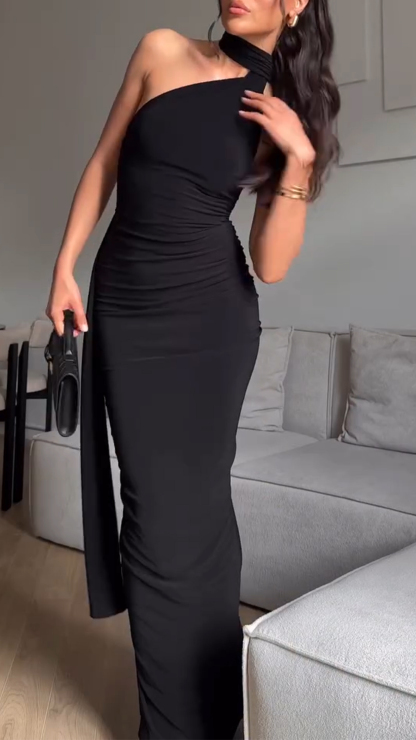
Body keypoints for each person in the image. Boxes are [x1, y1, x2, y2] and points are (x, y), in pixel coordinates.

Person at [46, 0, 340, 737]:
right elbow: (105, 160)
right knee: (152, 510)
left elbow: (271, 264)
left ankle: (201, 720)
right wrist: (64, 266)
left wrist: (300, 160)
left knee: (197, 510)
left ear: (296, 2)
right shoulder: (160, 50)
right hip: (126, 308)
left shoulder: (285, 110)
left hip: (211, 320)